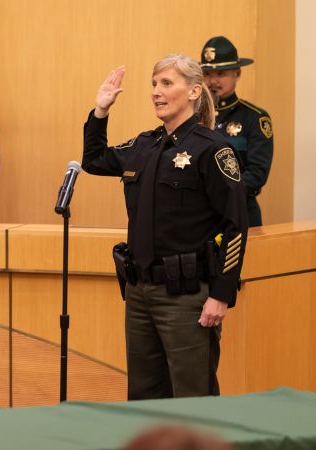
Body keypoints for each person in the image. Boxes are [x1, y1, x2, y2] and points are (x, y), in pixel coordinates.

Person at [82, 56, 248, 399]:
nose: (157, 92)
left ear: (193, 91)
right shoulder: (145, 145)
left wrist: (221, 294)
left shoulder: (212, 149)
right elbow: (94, 161)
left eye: (167, 84)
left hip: (186, 295)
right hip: (140, 291)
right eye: (154, 85)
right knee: (143, 396)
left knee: (193, 396)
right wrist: (100, 111)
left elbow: (235, 225)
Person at [201, 36, 272, 227]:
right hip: (200, 217)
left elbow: (257, 174)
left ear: (237, 73)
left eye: (221, 73)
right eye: (207, 73)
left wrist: (218, 192)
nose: (213, 81)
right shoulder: (192, 117)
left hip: (240, 213)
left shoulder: (254, 117)